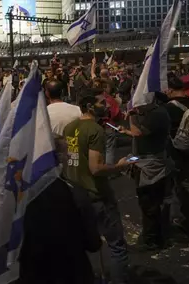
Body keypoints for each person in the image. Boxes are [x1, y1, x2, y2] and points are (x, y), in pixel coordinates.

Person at [62, 95, 132, 284]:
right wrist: (120, 166)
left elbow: (71, 159)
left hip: (76, 194)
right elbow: (96, 168)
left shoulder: (70, 127)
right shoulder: (95, 130)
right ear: (88, 106)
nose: (106, 105)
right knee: (116, 245)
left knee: (82, 244)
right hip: (96, 195)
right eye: (101, 102)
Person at [120, 93, 173, 250]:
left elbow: (138, 132)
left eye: (139, 105)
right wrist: (127, 131)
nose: (137, 108)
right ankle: (155, 235)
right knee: (151, 201)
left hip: (152, 164)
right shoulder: (155, 112)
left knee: (150, 202)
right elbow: (142, 134)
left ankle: (153, 240)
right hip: (147, 160)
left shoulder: (157, 114)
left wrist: (131, 116)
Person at [164, 74, 189, 238]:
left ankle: (185, 223)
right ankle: (188, 220)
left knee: (177, 189)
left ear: (170, 90)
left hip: (176, 153)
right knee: (187, 187)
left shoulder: (169, 108)